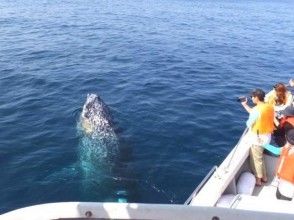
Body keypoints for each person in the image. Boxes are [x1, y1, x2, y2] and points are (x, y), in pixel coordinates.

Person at [241, 89, 275, 186]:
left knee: (257, 160)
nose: (251, 99)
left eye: (252, 97)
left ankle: (258, 180)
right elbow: (254, 112)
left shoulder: (257, 110)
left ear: (256, 97)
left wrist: (248, 122)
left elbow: (249, 123)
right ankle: (264, 177)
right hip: (267, 137)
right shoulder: (268, 106)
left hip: (258, 139)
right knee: (260, 158)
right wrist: (244, 105)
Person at [263, 128, 294, 201]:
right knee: (278, 196)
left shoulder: (287, 147)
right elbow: (277, 151)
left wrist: (264, 144)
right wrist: (264, 145)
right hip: (282, 182)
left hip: (289, 187)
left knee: (284, 202)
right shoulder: (286, 147)